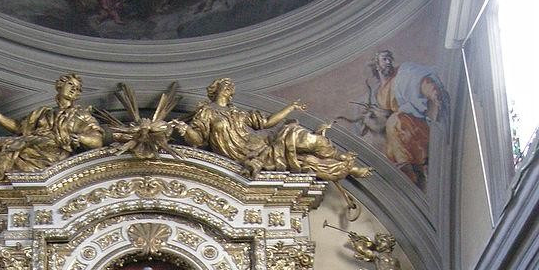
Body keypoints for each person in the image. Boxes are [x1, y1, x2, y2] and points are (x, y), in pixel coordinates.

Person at [177, 77, 370, 181]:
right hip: (243, 154)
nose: (229, 89)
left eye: (231, 87)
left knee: (302, 138)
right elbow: (199, 140)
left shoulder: (239, 113)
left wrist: (291, 108)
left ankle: (341, 158)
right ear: (215, 89)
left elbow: (267, 123)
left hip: (263, 141)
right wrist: (184, 129)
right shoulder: (207, 112)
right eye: (225, 86)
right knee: (302, 159)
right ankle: (349, 168)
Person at [367, 50, 448, 189]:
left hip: (417, 124)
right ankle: (410, 172)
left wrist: (433, 93)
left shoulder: (404, 72)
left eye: (389, 59)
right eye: (384, 59)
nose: (389, 62)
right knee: (384, 146)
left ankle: (410, 165)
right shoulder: (378, 93)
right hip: (400, 134)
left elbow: (421, 82)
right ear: (377, 65)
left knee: (395, 121)